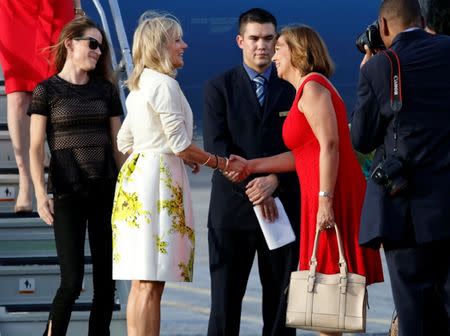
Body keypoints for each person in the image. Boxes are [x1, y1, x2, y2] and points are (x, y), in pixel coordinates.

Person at [229, 24, 385, 336]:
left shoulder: (313, 88)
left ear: (298, 52)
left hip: (331, 194)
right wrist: (252, 165)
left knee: (329, 296)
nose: (273, 56)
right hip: (320, 193)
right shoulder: (306, 90)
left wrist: (325, 201)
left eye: (279, 48)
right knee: (327, 299)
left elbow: (330, 145)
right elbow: (305, 154)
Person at [110, 11, 245, 336]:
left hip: (137, 180)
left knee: (143, 281)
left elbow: (124, 140)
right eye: (177, 40)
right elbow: (182, 144)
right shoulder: (165, 85)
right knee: (150, 281)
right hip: (157, 185)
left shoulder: (141, 87)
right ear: (160, 47)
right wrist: (221, 163)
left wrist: (160, 153)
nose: (184, 45)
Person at [351, 0, 450, 335]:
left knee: (414, 312)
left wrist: (368, 68)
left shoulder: (380, 68)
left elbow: (362, 139)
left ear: (384, 26)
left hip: (404, 210)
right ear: (422, 20)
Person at [203, 8, 300, 336]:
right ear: (240, 41)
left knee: (281, 309)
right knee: (225, 307)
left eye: (269, 38)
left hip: (283, 207)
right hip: (232, 214)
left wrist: (275, 181)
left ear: (277, 41)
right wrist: (257, 190)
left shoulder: (293, 89)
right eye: (255, 38)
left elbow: (306, 150)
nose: (262, 45)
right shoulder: (219, 88)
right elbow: (218, 149)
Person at [28, 17, 123, 336]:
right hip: (67, 195)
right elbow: (35, 148)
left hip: (105, 194)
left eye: (101, 47)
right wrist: (40, 195)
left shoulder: (106, 90)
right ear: (70, 43)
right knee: (71, 282)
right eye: (92, 44)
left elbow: (118, 146)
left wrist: (128, 194)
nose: (98, 51)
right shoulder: (47, 90)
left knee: (106, 285)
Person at [0, 0, 81, 213]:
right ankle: (26, 182)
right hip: (14, 8)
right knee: (17, 96)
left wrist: (78, 6)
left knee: (59, 88)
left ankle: (63, 178)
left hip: (56, 7)